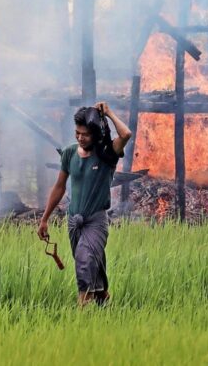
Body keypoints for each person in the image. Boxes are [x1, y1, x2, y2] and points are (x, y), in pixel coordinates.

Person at [38, 102, 132, 306]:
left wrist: (108, 113)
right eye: (77, 133)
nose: (80, 137)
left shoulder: (107, 154)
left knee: (84, 261)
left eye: (85, 134)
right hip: (74, 221)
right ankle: (103, 299)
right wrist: (44, 219)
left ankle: (83, 313)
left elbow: (126, 135)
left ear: (96, 135)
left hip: (95, 221)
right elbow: (59, 187)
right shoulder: (70, 153)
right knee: (90, 265)